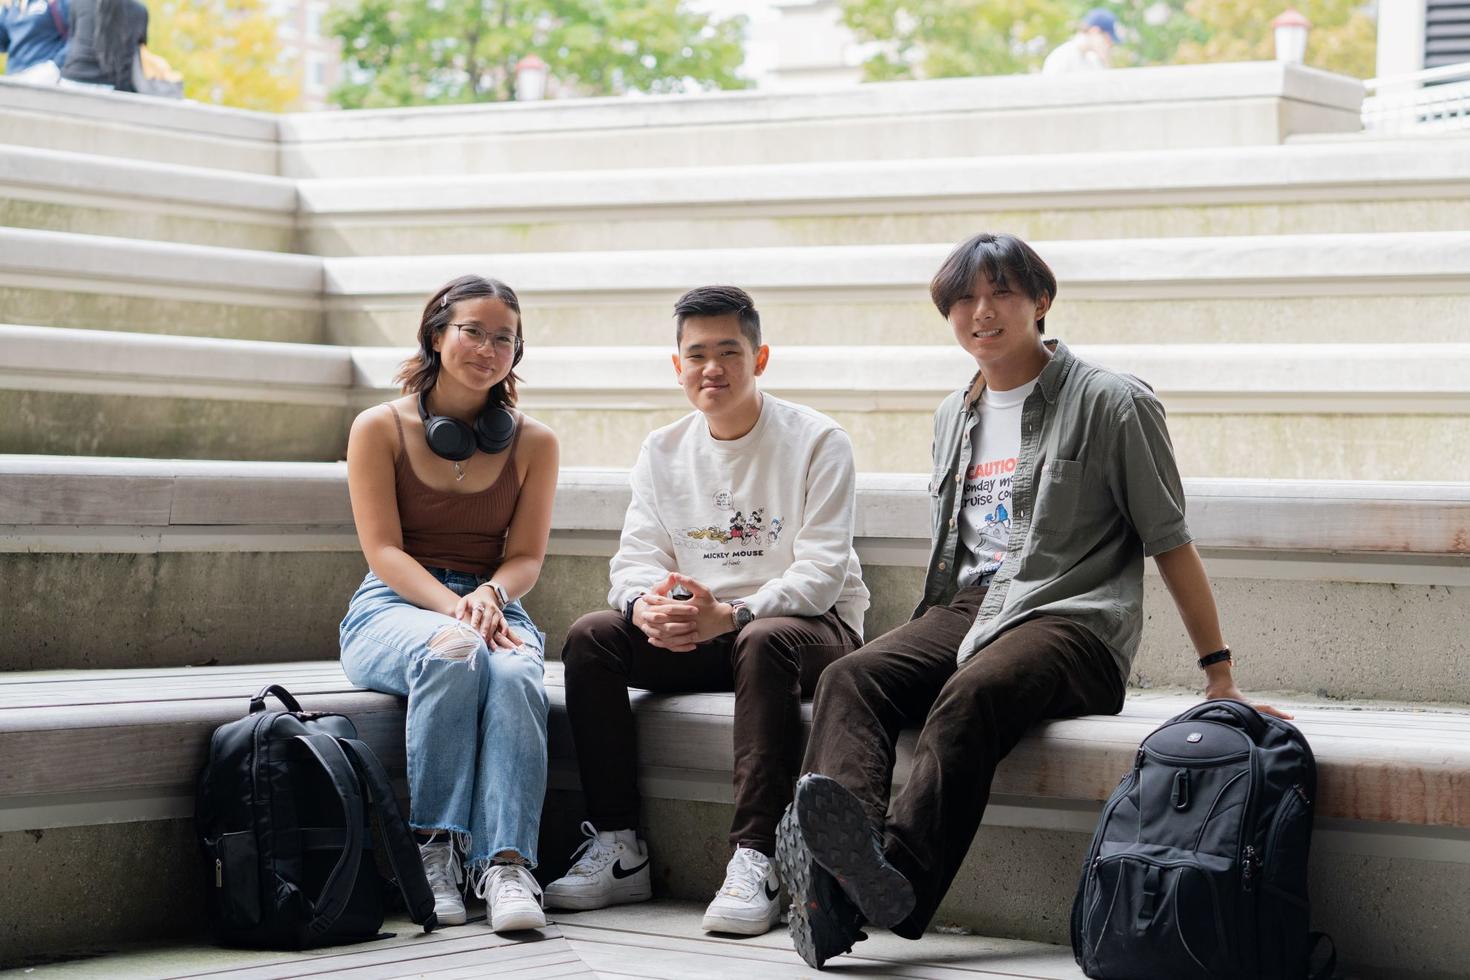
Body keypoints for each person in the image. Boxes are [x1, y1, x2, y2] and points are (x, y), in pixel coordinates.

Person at [775, 233, 1290, 969]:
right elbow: (960, 560)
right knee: (847, 676)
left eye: (1001, 294)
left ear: (1040, 302)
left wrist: (1220, 675)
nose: (981, 311)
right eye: (963, 299)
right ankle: (845, 876)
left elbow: (1170, 541)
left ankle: (900, 882)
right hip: (970, 608)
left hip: (1074, 620)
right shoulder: (953, 414)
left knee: (971, 691)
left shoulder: (1114, 402)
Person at [543, 285, 870, 937]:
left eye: (729, 351)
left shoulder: (817, 440)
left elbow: (822, 574)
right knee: (591, 638)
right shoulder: (662, 451)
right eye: (696, 354)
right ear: (677, 366)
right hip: (702, 630)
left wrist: (736, 614)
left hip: (806, 632)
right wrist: (647, 607)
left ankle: (758, 857)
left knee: (764, 640)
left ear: (761, 356)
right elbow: (633, 560)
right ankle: (620, 849)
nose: (711, 368)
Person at [339, 274, 560, 933]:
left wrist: (490, 593)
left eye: (505, 339)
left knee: (520, 673)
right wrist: (457, 610)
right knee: (455, 652)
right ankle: (433, 851)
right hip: (395, 604)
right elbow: (383, 552)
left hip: (493, 599)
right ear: (437, 335)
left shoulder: (535, 442)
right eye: (473, 331)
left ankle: (508, 865)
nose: (488, 348)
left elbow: (524, 557)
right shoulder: (377, 427)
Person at [59, 0, 145, 91]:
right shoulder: (139, 10)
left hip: (72, 78)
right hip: (114, 84)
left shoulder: (79, 2)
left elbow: (71, 39)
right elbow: (138, 50)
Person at [0, 0, 69, 84]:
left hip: (45, 76)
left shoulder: (59, 2)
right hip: (14, 75)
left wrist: (56, 65)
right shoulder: (11, 5)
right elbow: (3, 41)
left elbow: (77, 36)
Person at [1041, 7, 1119, 74]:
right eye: (1108, 40)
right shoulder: (1062, 56)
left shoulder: (1093, 60)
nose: (1109, 45)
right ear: (1094, 31)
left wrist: (1105, 61)